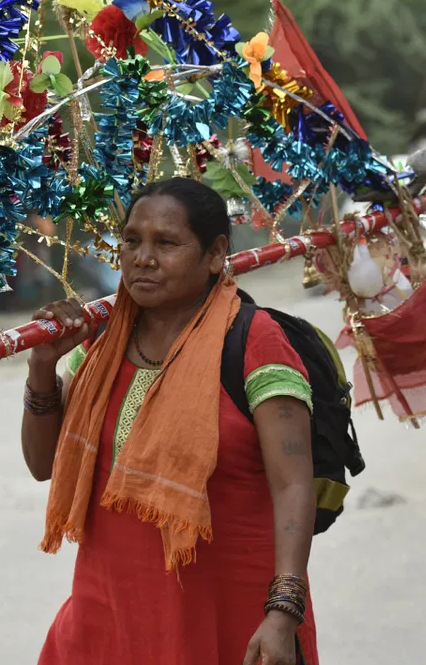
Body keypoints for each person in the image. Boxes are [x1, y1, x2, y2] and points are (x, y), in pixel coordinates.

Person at [20, 177, 319, 665]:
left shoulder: (254, 341)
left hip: (228, 615)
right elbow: (41, 466)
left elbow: (293, 484)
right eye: (132, 240)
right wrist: (41, 369)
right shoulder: (101, 345)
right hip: (109, 612)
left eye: (167, 243)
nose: (143, 258)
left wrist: (284, 613)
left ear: (216, 253)